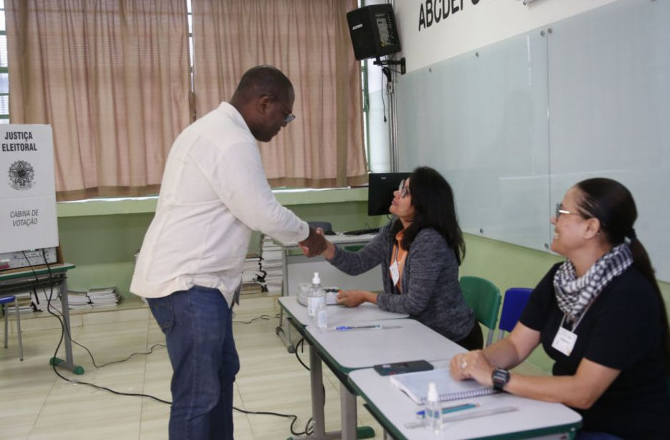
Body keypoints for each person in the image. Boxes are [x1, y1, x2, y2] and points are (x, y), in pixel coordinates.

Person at [130, 65, 326, 439]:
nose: (284, 124)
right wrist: (307, 236)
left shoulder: (215, 130)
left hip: (200, 285)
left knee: (220, 376)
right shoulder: (230, 140)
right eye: (285, 115)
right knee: (198, 395)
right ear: (264, 103)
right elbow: (260, 211)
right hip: (189, 285)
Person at [449, 178, 670, 439]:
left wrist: (498, 378)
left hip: (618, 429)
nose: (553, 220)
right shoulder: (561, 277)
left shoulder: (628, 296)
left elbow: (583, 392)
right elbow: (515, 345)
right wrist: (477, 362)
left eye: (562, 212)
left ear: (590, 227)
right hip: (565, 416)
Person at [309, 166, 483, 350]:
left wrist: (366, 296)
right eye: (401, 188)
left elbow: (413, 303)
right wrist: (325, 246)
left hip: (451, 339)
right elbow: (358, 263)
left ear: (423, 204)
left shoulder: (429, 241)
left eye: (405, 192)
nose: (395, 193)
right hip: (417, 330)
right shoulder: (393, 230)